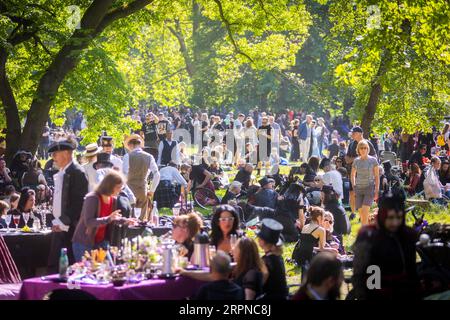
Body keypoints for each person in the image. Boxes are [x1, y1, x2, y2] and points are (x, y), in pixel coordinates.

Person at [352, 190, 420, 300]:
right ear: (383, 216)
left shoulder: (408, 235)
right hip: (375, 294)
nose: (395, 223)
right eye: (390, 218)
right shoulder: (369, 235)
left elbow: (411, 271)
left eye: (398, 218)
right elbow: (361, 272)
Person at [72, 171, 136, 262]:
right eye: (118, 187)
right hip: (84, 243)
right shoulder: (92, 198)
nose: (120, 190)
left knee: (109, 270)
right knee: (88, 273)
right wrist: (108, 218)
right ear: (109, 186)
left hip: (101, 242)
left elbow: (112, 219)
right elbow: (89, 222)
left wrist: (125, 220)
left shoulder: (113, 199)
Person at [47, 137, 89, 273]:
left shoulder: (77, 172)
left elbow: (78, 203)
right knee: (56, 266)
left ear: (66, 153)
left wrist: (63, 222)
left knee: (67, 267)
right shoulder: (64, 172)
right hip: (60, 226)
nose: (53, 158)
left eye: (55, 154)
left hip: (70, 229)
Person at [122, 134, 160, 220]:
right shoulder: (149, 156)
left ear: (131, 145)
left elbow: (123, 174)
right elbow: (157, 174)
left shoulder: (127, 156)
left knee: (130, 217)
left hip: (129, 189)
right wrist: (152, 190)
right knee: (142, 218)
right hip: (143, 189)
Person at [295, 207, 338, 278]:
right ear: (319, 217)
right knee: (334, 251)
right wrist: (333, 250)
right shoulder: (320, 230)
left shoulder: (305, 226)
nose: (324, 219)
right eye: (323, 217)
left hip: (299, 256)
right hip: (309, 257)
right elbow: (322, 248)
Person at [345, 126, 377, 216]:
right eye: (352, 133)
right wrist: (359, 158)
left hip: (365, 174)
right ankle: (353, 213)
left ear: (360, 134)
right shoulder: (351, 144)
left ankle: (363, 214)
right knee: (352, 192)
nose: (352, 134)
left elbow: (375, 158)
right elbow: (347, 159)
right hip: (353, 172)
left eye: (354, 133)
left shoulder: (367, 144)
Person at [256, 218, 288, 300]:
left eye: (259, 237)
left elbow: (261, 283)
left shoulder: (267, 260)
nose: (258, 239)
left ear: (263, 241)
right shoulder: (277, 256)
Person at [351, 140, 380, 225]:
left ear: (368, 149)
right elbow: (352, 174)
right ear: (358, 150)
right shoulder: (356, 161)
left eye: (365, 148)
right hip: (358, 189)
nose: (363, 150)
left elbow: (377, 176)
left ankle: (364, 236)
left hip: (369, 188)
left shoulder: (373, 160)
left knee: (364, 213)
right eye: (361, 148)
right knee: (363, 216)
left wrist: (377, 190)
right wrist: (354, 185)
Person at [321, 185, 348, 253]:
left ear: (324, 195)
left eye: (321, 195)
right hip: (338, 237)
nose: (320, 197)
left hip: (333, 239)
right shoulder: (337, 206)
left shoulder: (329, 209)